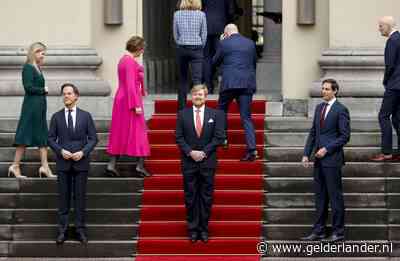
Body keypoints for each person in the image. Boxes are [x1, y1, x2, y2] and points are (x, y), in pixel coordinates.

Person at [301, 79, 350, 242]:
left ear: (335, 91)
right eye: (322, 89)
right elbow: (313, 132)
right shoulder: (319, 108)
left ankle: (338, 232)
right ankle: (319, 231)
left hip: (332, 160)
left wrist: (327, 148)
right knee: (320, 196)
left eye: (327, 89)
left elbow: (344, 136)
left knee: (335, 196)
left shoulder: (341, 110)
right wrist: (306, 153)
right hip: (318, 161)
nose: (323, 91)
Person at [48, 83, 98, 244]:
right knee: (63, 199)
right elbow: (50, 139)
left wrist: (83, 152)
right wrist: (60, 151)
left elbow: (93, 138)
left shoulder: (86, 116)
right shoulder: (56, 117)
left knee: (80, 198)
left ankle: (80, 230)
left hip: (81, 163)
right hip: (63, 163)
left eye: (69, 93)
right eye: (64, 94)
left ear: (76, 96)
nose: (66, 96)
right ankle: (62, 231)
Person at [175, 84, 225, 243]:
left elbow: (219, 137)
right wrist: (190, 152)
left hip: (207, 162)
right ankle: (192, 229)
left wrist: (203, 152)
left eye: (201, 94)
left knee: (206, 197)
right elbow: (178, 137)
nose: (198, 97)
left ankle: (204, 229)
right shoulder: (182, 114)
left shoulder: (216, 114)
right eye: (195, 94)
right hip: (188, 162)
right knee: (190, 197)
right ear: (191, 96)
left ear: (206, 97)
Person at [106, 36, 151, 177]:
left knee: (119, 132)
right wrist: (136, 104)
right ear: (138, 48)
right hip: (130, 101)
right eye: (142, 48)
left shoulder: (123, 60)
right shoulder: (130, 62)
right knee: (139, 132)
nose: (142, 51)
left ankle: (111, 165)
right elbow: (131, 85)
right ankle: (139, 166)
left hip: (121, 99)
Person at [9, 42, 55, 178]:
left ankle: (45, 167)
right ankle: (15, 166)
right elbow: (28, 87)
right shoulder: (28, 68)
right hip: (31, 107)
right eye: (41, 52)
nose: (43, 55)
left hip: (38, 107)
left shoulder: (37, 68)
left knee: (42, 136)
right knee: (25, 135)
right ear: (35, 52)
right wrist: (43, 90)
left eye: (44, 53)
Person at [213, 24, 258, 161]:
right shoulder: (250, 43)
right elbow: (254, 62)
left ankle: (223, 138)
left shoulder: (224, 43)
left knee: (221, 110)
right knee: (246, 117)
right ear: (237, 31)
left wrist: (221, 42)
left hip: (229, 83)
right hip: (246, 83)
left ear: (226, 33)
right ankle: (252, 150)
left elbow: (215, 61)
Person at [371, 16, 400, 161]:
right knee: (397, 118)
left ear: (388, 26)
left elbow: (390, 65)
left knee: (383, 116)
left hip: (394, 85)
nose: (379, 29)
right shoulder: (399, 38)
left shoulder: (392, 41)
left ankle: (387, 151)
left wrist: (385, 80)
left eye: (381, 26)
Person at [173, 0, 207, 110]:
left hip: (182, 48)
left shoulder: (177, 14)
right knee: (197, 80)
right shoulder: (201, 15)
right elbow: (204, 34)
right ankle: (198, 107)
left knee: (182, 79)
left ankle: (181, 109)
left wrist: (180, 42)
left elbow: (175, 33)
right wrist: (201, 45)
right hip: (197, 48)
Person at [201, 0, 235, 94]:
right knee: (221, 56)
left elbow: (199, 6)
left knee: (206, 57)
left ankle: (208, 86)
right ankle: (222, 84)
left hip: (205, 26)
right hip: (221, 26)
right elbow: (231, 11)